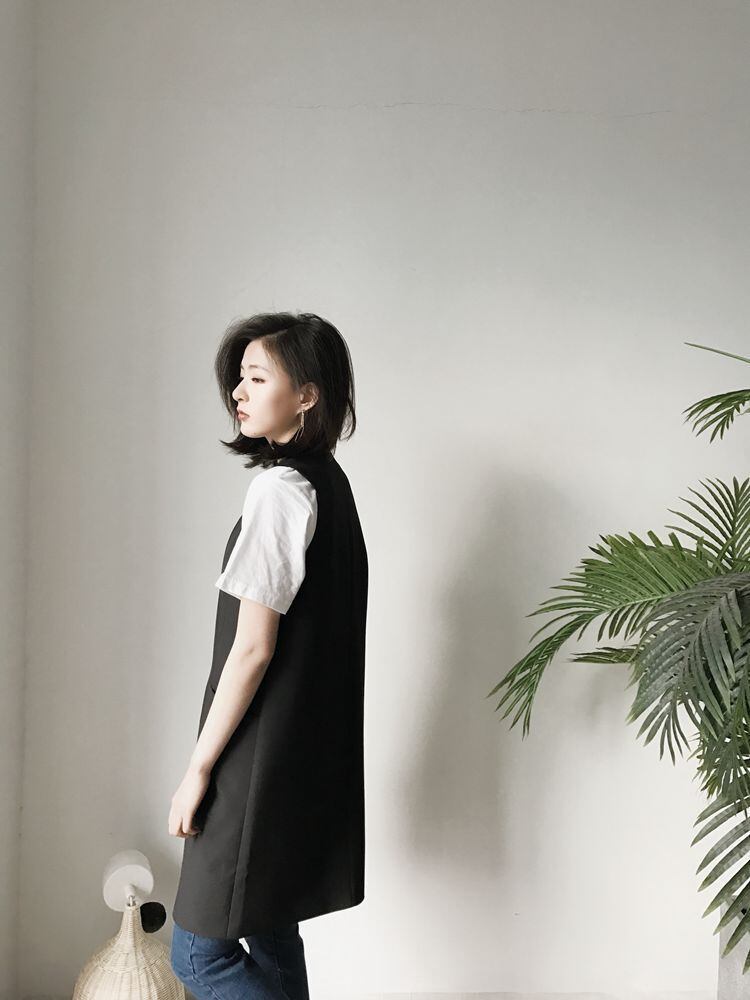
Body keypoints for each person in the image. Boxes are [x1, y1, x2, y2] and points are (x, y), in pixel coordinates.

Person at [168, 312, 369, 999]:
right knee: (272, 929)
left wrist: (198, 769)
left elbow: (253, 649)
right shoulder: (328, 485)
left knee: (200, 957)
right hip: (296, 756)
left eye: (257, 378)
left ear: (306, 395)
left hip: (254, 756)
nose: (238, 392)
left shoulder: (280, 491)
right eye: (240, 378)